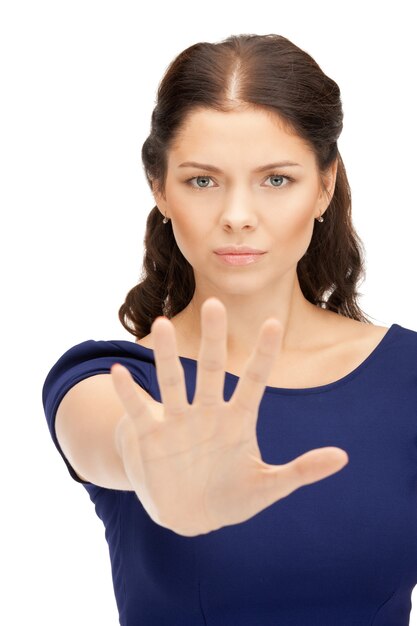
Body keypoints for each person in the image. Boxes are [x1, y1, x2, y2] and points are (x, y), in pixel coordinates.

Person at [41, 33, 417, 625]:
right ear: (159, 188)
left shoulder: (409, 377)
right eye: (202, 181)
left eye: (275, 179)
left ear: (324, 185)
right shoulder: (110, 381)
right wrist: (150, 465)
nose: (237, 215)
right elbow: (108, 437)